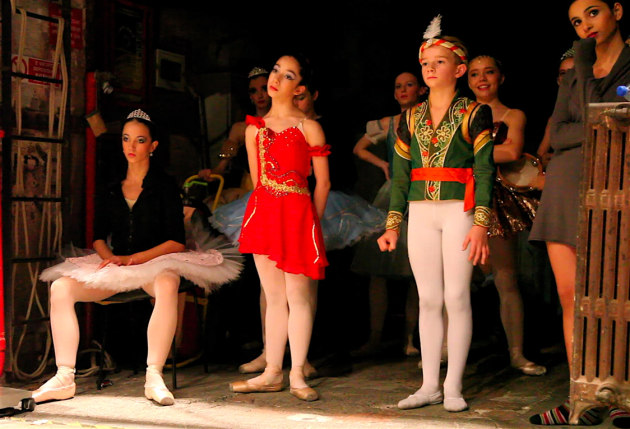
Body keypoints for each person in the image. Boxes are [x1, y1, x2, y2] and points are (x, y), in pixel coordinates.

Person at [34, 110, 241, 406]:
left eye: (140, 140)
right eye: (126, 139)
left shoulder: (165, 186)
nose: (131, 146)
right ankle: (64, 376)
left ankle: (153, 375)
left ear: (153, 146)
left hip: (154, 262)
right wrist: (110, 257)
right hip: (117, 263)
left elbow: (175, 241)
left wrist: (135, 258)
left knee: (168, 282)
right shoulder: (111, 186)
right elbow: (97, 236)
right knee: (61, 288)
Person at [378, 15, 495, 412]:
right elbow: (399, 176)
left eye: (439, 62)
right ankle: (428, 384)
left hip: (458, 210)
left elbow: (484, 169)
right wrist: (393, 223)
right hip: (421, 211)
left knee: (457, 295)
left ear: (459, 69)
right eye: (425, 62)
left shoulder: (475, 112)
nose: (429, 68)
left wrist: (481, 223)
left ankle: (453, 386)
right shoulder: (408, 118)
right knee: (428, 298)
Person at [528, 1, 630, 426]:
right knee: (572, 296)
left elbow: (592, 123)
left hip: (620, 185)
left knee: (619, 296)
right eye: (575, 21)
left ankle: (622, 393)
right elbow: (559, 132)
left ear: (616, 11)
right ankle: (582, 396)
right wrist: (585, 71)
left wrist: (589, 124)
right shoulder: (575, 73)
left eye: (592, 13)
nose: (584, 25)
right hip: (567, 186)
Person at [229, 53, 330, 402]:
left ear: (299, 86)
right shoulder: (253, 129)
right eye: (276, 70)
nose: (276, 78)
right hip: (266, 214)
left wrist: (312, 224)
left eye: (287, 75)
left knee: (298, 298)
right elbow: (259, 182)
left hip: (299, 214)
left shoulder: (309, 127)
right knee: (273, 298)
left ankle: (298, 373)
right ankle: (273, 370)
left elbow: (323, 183)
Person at [467, 55, 546, 376]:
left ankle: (516, 353)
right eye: (474, 73)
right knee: (453, 281)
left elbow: (512, 152)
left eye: (488, 72)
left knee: (505, 277)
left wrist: (464, 154)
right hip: (461, 197)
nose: (482, 78)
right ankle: (443, 352)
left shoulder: (513, 114)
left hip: (498, 200)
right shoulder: (458, 114)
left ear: (501, 77)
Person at [350, 72, 426, 358]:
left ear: (420, 90)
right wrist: (383, 163)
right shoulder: (390, 123)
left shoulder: (430, 118)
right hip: (392, 193)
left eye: (409, 85)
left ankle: (410, 338)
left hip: (420, 192)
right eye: (398, 86)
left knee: (416, 273)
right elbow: (359, 148)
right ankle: (375, 338)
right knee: (377, 270)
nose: (404, 90)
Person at [199, 66, 271, 203]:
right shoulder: (240, 129)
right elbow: (221, 167)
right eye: (254, 91)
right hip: (249, 192)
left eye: (264, 88)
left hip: (281, 191)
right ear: (250, 96)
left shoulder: (286, 125)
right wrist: (211, 173)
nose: (260, 95)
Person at [536, 48, 576, 169]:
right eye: (563, 73)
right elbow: (539, 158)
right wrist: (543, 160)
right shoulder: (555, 119)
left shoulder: (598, 111)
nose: (568, 78)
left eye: (574, 72)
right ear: (558, 80)